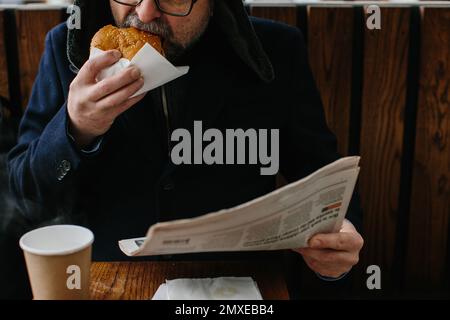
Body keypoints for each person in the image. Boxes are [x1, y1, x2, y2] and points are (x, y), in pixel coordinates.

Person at [7, 0, 364, 291]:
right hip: (112, 282)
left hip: (237, 286)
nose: (145, 12)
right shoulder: (66, 50)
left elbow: (328, 180)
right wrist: (75, 128)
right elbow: (24, 193)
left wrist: (339, 241)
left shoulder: (277, 52)